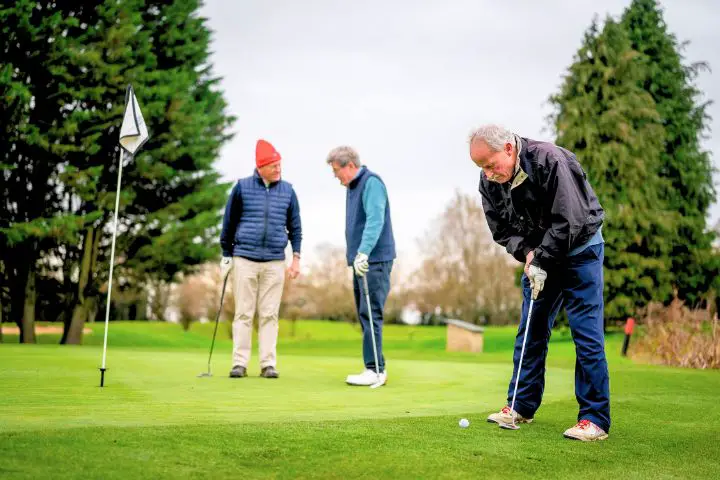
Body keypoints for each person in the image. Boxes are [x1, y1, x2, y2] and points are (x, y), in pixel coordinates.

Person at [469, 124, 610, 441]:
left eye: (491, 165)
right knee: (531, 329)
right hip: (540, 256)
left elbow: (569, 220)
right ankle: (520, 406)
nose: (488, 174)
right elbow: (502, 230)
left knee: (585, 332)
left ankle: (594, 418)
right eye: (481, 168)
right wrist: (529, 254)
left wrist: (541, 258)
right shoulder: (489, 180)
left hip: (581, 250)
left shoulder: (550, 160)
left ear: (508, 148)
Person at [219, 139, 302, 379]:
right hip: (245, 258)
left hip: (275, 260)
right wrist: (226, 255)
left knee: (269, 314)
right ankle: (239, 364)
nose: (278, 169)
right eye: (274, 165)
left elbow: (295, 227)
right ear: (261, 166)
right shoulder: (242, 188)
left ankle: (268, 364)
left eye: (280, 165)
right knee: (244, 313)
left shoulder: (288, 190)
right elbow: (229, 223)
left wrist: (296, 257)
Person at [326, 146, 396, 387]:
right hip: (362, 261)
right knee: (364, 314)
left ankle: (377, 370)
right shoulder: (353, 187)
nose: (337, 177)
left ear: (350, 166)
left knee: (371, 312)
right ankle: (372, 367)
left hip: (374, 260)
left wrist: (364, 252)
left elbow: (375, 220)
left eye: (337, 171)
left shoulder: (371, 183)